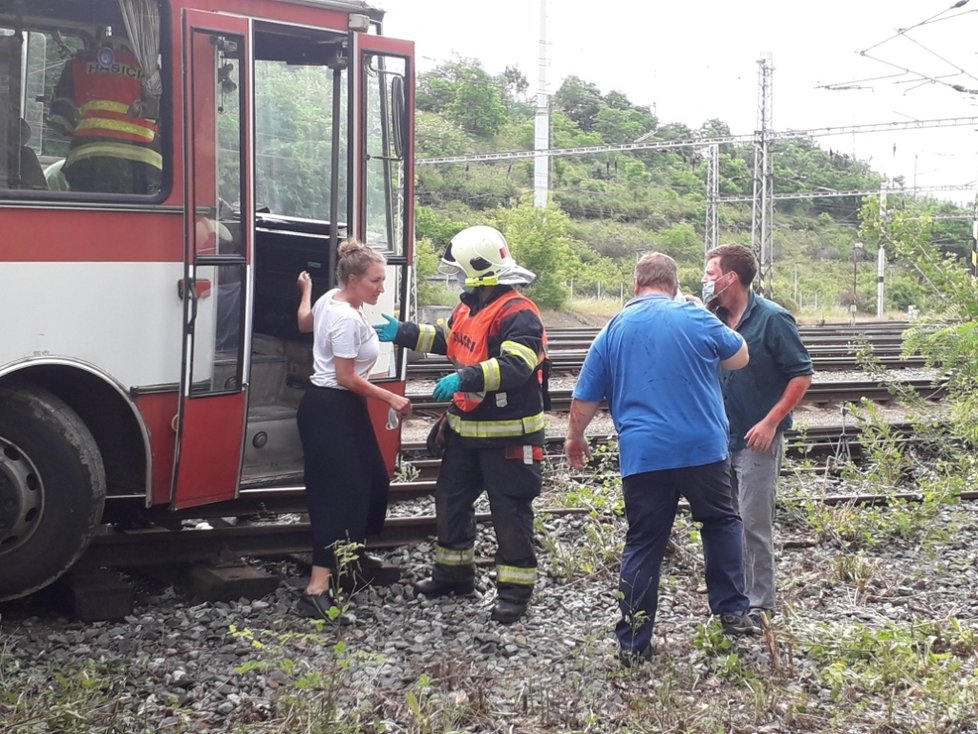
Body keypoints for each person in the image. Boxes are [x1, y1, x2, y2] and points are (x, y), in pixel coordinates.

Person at [565, 251, 757, 666]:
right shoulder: (694, 316)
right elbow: (740, 356)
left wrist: (575, 439)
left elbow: (584, 398)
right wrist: (701, 315)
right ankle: (732, 613)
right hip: (703, 450)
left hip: (644, 455)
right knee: (721, 522)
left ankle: (634, 642)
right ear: (673, 285)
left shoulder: (613, 329)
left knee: (644, 543)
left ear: (636, 285)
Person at [374, 225, 547, 624]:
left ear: (480, 269)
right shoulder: (470, 305)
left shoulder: (519, 313)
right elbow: (450, 339)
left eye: (459, 269)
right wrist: (403, 332)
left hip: (510, 436)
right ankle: (454, 576)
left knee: (510, 514)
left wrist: (465, 378)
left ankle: (515, 593)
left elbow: (517, 366)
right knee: (451, 504)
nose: (455, 276)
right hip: (466, 433)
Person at [293, 240, 412, 619]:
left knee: (374, 479)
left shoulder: (332, 299)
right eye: (376, 281)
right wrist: (390, 399)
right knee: (337, 495)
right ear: (355, 280)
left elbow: (303, 322)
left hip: (341, 409)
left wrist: (307, 292)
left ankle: (351, 556)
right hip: (330, 408)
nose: (381, 287)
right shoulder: (344, 317)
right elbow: (345, 377)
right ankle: (316, 589)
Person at [702, 244, 813, 625]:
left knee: (753, 525)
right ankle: (734, 600)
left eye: (710, 272)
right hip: (719, 439)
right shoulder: (711, 317)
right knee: (726, 523)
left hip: (756, 441)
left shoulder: (773, 319)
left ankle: (760, 604)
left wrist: (770, 422)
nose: (705, 280)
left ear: (730, 278)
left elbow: (801, 375)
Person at [48, 32, 162, 194]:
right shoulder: (153, 72)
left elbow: (60, 120)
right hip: (144, 165)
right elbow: (169, 121)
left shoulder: (78, 65)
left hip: (87, 161)